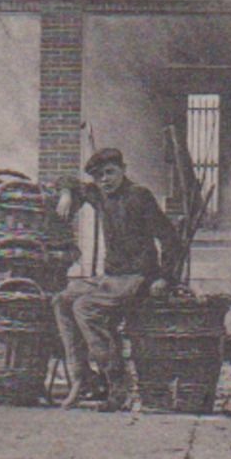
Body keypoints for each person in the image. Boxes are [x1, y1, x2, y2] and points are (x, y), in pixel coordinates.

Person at [52, 147, 182, 410]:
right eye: (99, 176)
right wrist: (66, 193)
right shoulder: (99, 195)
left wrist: (166, 278)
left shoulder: (139, 196)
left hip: (137, 278)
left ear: (124, 169)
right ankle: (82, 378)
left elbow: (170, 239)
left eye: (110, 173)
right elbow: (68, 180)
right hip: (110, 278)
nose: (105, 180)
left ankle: (118, 382)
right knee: (62, 300)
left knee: (85, 307)